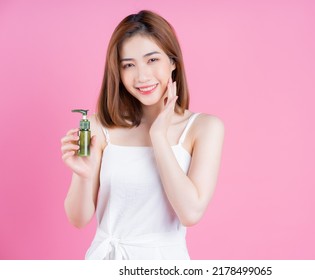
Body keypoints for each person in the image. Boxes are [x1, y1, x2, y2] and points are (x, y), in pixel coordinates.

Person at [60, 10, 224, 260]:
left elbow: (190, 213)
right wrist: (82, 175)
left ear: (173, 62)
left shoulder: (204, 128)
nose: (142, 76)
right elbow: (78, 219)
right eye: (128, 65)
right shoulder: (99, 126)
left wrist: (158, 136)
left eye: (152, 60)